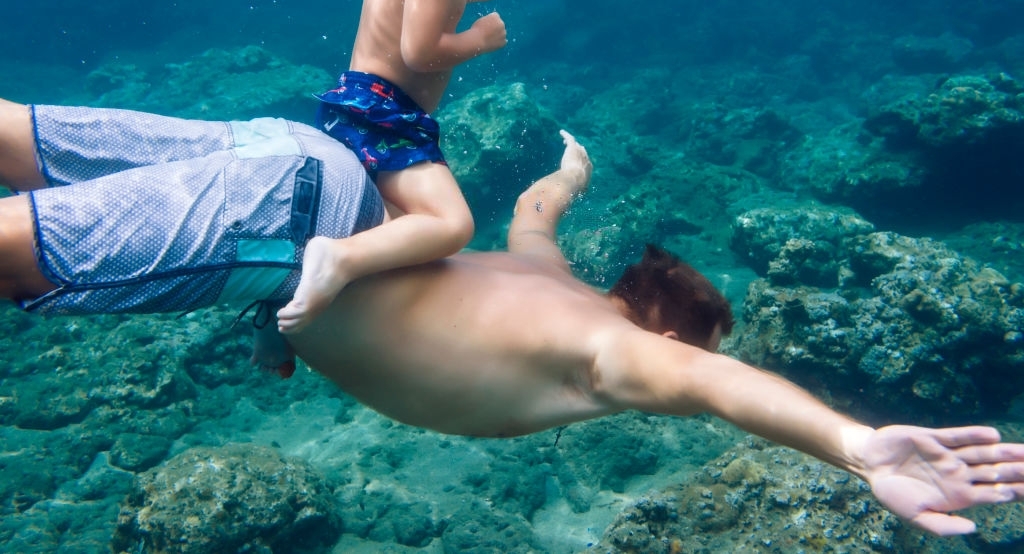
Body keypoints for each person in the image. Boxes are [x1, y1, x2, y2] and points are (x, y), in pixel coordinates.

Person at [284, 130, 1024, 537]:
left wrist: (573, 173)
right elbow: (714, 385)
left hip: (316, 175)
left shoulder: (542, 269)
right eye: (693, 352)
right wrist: (856, 448)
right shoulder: (612, 352)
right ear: (668, 341)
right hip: (269, 248)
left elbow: (533, 210)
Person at [0, 97, 386, 376]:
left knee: (15, 140)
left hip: (297, 148)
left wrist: (272, 319)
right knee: (19, 255)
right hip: (311, 206)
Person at [275, 0, 518, 333]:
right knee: (451, 225)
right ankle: (337, 259)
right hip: (385, 117)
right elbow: (419, 53)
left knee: (387, 228)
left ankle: (274, 311)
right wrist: (480, 38)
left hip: (355, 103)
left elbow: (417, 1)